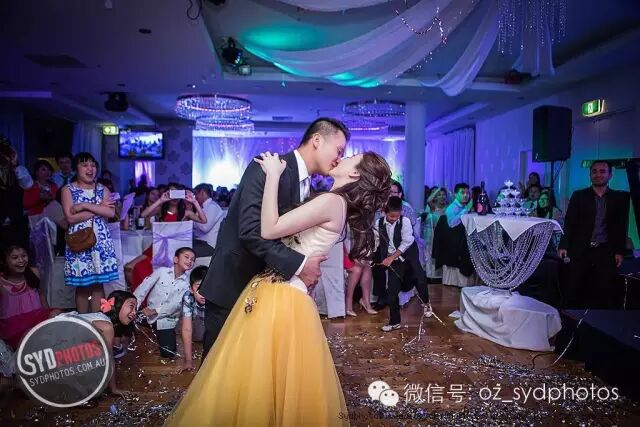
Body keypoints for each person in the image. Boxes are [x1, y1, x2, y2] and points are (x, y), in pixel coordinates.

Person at [165, 149, 391, 426]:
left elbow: (269, 230)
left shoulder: (333, 202)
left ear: (355, 173)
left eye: (349, 158)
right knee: (267, 379)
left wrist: (272, 176)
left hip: (283, 296)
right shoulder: (335, 203)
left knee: (257, 377)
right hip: (283, 291)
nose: (341, 158)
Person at [198, 118, 349, 360]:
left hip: (267, 293)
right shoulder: (267, 167)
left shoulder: (309, 188)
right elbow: (250, 231)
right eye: (339, 150)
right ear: (317, 140)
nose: (339, 158)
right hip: (235, 282)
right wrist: (300, 265)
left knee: (253, 368)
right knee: (218, 366)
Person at [558, 161, 630, 309]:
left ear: (610, 175)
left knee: (603, 292)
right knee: (574, 289)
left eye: (602, 171)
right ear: (590, 174)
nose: (598, 175)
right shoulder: (579, 196)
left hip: (605, 251)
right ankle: (570, 319)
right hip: (580, 249)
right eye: (595, 171)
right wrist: (563, 245)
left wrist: (619, 251)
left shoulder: (618, 198)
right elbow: (570, 222)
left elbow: (620, 227)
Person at [61, 152, 119, 313]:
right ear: (76, 168)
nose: (90, 169)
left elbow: (110, 213)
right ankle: (82, 321)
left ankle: (96, 320)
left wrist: (84, 206)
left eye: (93, 165)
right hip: (79, 240)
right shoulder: (68, 190)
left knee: (98, 284)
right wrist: (99, 208)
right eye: (85, 165)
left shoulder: (103, 189)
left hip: (100, 241)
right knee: (82, 285)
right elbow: (71, 218)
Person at [57, 290, 137, 396]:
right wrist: (114, 389)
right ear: (118, 305)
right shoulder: (106, 327)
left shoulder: (101, 318)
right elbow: (109, 360)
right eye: (131, 306)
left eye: (136, 308)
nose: (134, 312)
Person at [372, 197, 432, 331]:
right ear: (384, 212)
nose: (394, 219)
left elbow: (406, 242)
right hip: (394, 261)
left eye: (397, 216)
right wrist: (373, 255)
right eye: (391, 216)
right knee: (392, 292)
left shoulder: (405, 221)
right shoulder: (378, 223)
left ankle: (426, 302)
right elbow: (376, 242)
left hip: (408, 256)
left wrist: (391, 258)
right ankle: (394, 322)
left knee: (419, 279)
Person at [134, 247, 195, 358]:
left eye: (192, 259)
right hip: (146, 314)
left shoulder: (187, 284)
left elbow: (175, 306)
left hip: (166, 320)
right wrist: (133, 307)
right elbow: (143, 288)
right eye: (186, 257)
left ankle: (161, 337)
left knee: (168, 354)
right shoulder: (162, 272)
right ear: (176, 259)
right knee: (126, 319)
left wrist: (155, 311)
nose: (189, 261)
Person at [0, 244, 60, 350]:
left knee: (58, 314)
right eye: (15, 258)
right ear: (4, 261)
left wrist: (48, 315)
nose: (21, 260)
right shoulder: (1, 281)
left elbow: (42, 296)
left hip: (36, 318)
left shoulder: (34, 272)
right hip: (13, 325)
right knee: (28, 334)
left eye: (24, 256)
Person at [178, 265, 207, 373]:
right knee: (198, 338)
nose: (203, 292)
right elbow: (187, 329)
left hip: (215, 321)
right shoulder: (188, 297)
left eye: (206, 286)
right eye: (198, 287)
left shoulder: (217, 296)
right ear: (191, 289)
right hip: (199, 319)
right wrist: (188, 361)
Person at [191, 183, 224, 257]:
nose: (195, 197)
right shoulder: (205, 207)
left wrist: (193, 219)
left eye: (196, 194)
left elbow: (205, 228)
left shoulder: (212, 207)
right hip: (201, 242)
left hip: (209, 245)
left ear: (202, 193)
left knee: (184, 251)